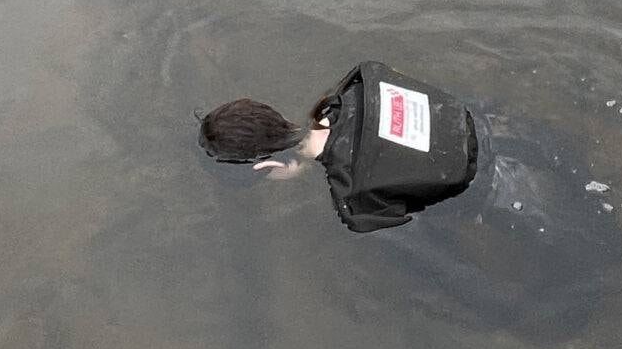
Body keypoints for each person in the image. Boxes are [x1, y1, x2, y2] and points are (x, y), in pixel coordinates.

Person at [199, 62, 480, 234]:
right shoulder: (357, 84)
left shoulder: (355, 202)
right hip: (484, 119)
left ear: (267, 166)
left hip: (488, 185)